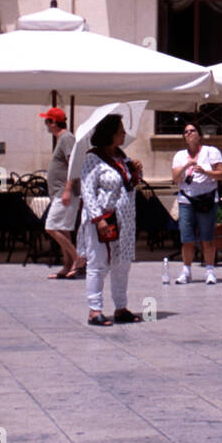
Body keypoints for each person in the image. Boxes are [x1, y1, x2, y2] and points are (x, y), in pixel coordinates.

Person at [81, 114, 142, 326]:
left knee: (122, 263)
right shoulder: (92, 159)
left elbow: (129, 186)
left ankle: (121, 307)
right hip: (105, 220)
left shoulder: (123, 158)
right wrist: (98, 219)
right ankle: (94, 309)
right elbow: (87, 190)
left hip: (126, 221)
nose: (124, 134)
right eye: (120, 130)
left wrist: (136, 172)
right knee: (98, 263)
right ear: (109, 134)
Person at [169, 121, 222, 286]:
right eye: (186, 132)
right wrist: (186, 165)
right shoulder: (180, 155)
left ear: (199, 134)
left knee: (207, 237)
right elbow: (175, 178)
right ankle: (186, 271)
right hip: (186, 199)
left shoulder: (211, 152)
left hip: (207, 198)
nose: (189, 134)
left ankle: (209, 270)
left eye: (192, 130)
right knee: (186, 237)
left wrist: (205, 171)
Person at [40, 107, 85, 279]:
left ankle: (77, 259)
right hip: (59, 192)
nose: (46, 125)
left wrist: (67, 189)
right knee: (63, 229)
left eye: (47, 121)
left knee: (51, 227)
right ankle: (67, 265)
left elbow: (74, 164)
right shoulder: (62, 139)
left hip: (64, 192)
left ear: (53, 122)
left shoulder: (66, 138)